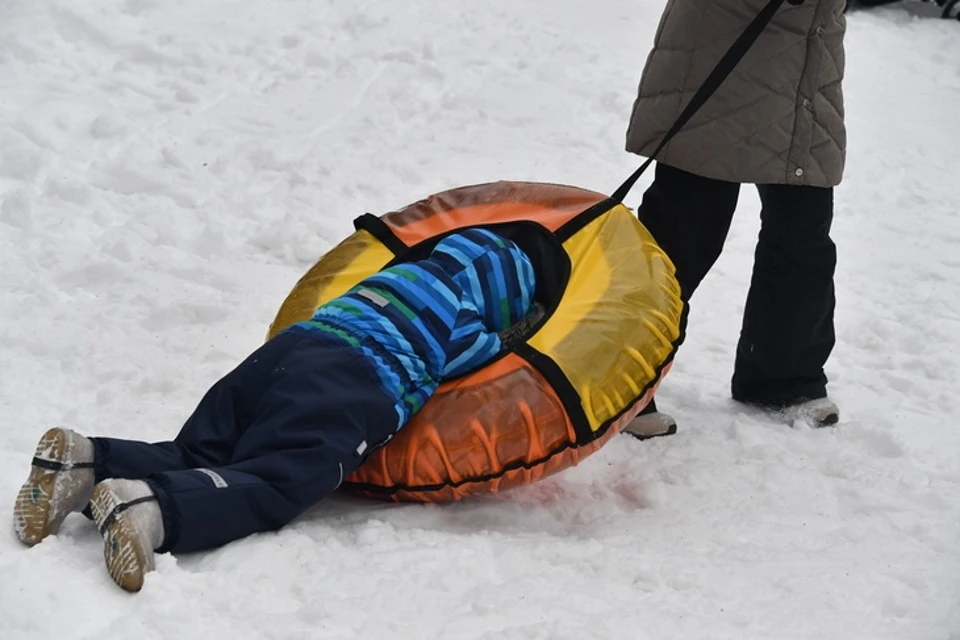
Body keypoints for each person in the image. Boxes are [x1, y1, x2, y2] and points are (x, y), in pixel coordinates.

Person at [13, 228, 536, 592]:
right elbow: (490, 362)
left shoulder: (386, 277)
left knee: (202, 450)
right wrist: (522, 329)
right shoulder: (464, 316)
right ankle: (149, 509)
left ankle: (86, 463)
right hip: (350, 384)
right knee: (278, 479)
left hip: (285, 355)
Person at [621, 0, 846, 439]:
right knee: (683, 233)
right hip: (723, 46)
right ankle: (620, 382)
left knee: (803, 234)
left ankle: (783, 378)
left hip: (806, 60)